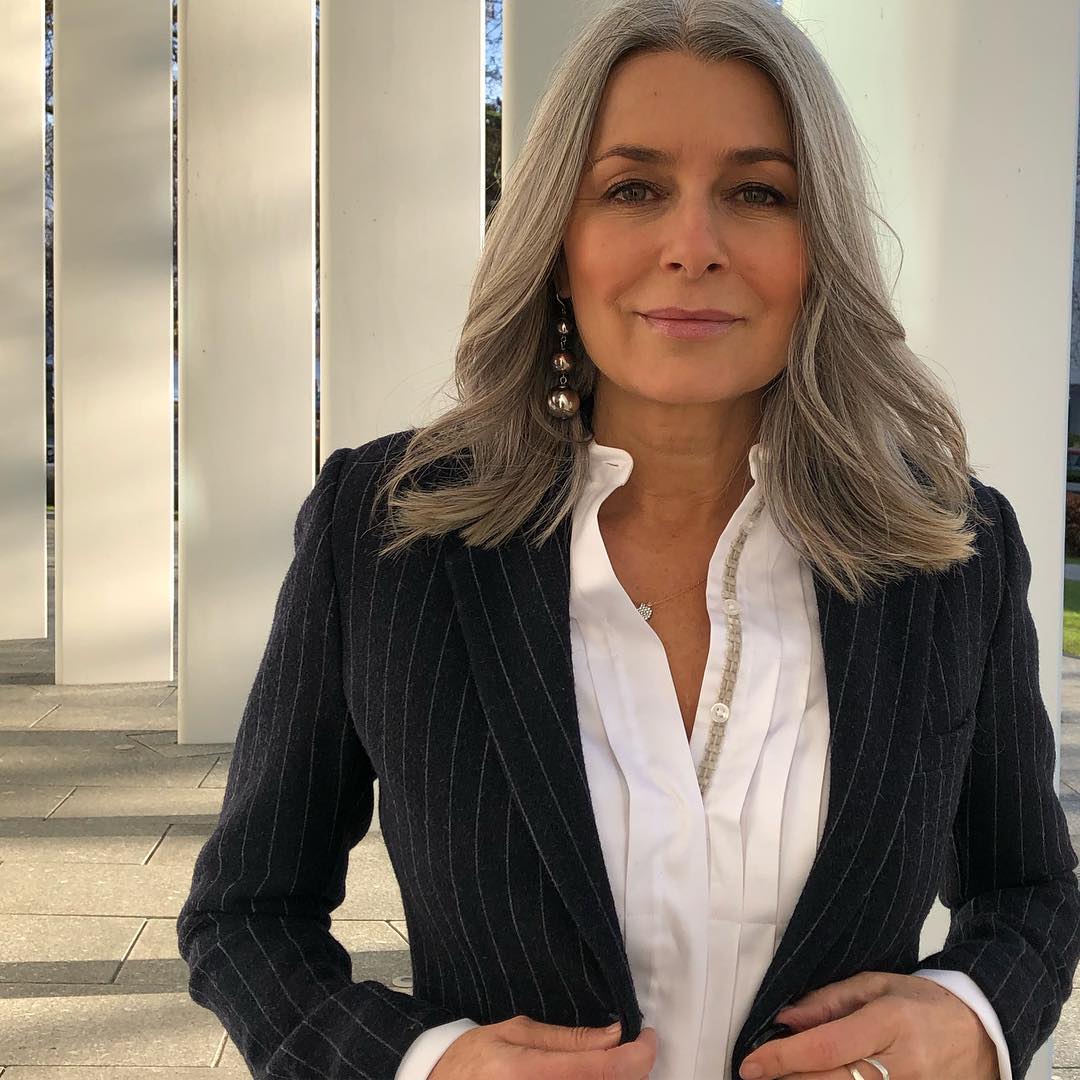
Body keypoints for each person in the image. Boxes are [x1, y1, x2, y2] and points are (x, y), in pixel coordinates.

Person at [177, 0, 1080, 1076]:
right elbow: (246, 914)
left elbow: (1029, 889)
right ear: (560, 242)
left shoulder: (951, 550)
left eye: (759, 192)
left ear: (821, 245)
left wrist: (973, 1017)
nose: (693, 248)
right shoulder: (386, 532)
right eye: (633, 189)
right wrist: (421, 1065)